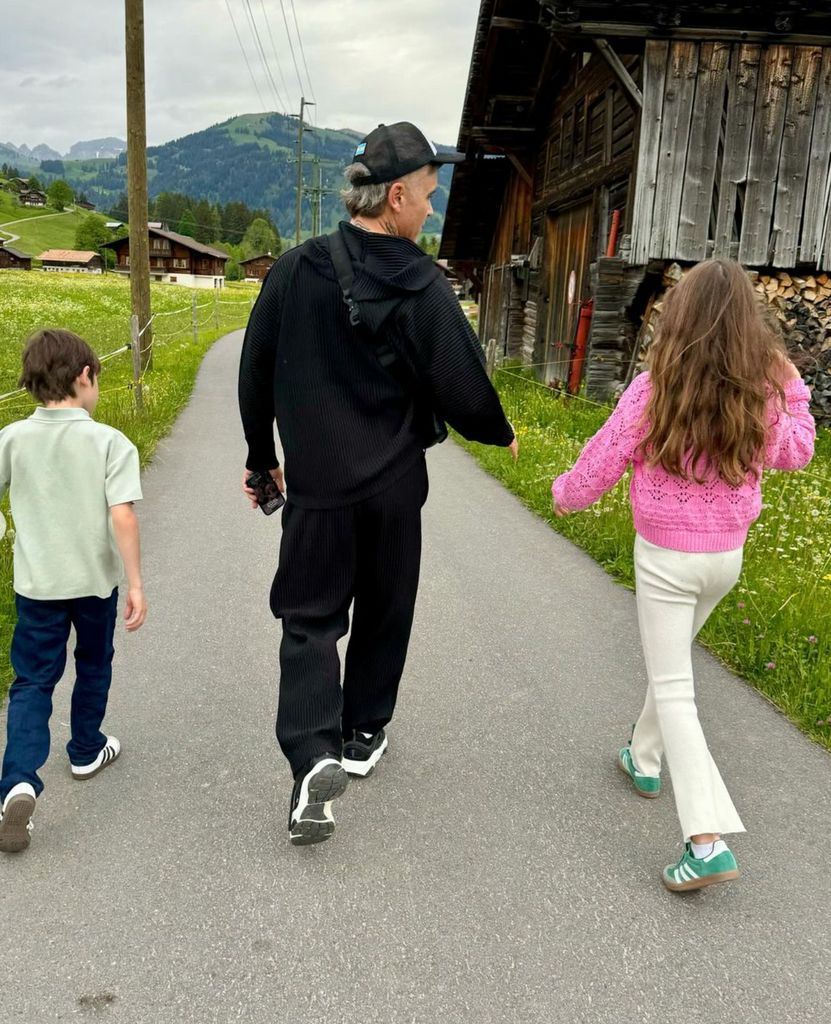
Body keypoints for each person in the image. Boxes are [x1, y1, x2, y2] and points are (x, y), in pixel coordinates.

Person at [238, 121, 518, 846]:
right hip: (394, 484)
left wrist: (258, 455)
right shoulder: (423, 285)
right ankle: (362, 734)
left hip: (319, 489)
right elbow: (460, 381)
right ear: (394, 196)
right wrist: (499, 431)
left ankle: (312, 755)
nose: (432, 208)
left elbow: (255, 369)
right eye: (428, 194)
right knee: (386, 607)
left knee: (308, 621)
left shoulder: (295, 269)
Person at [551, 260, 815, 891]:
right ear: (749, 329)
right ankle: (643, 759)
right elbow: (798, 450)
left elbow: (601, 461)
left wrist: (562, 495)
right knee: (671, 666)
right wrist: (791, 384)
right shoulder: (760, 398)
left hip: (666, 559)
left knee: (675, 686)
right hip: (726, 559)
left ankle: (706, 840)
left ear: (681, 319)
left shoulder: (653, 390)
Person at [0, 329, 146, 854]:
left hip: (37, 586)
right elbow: (122, 515)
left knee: (33, 680)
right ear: (85, 376)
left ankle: (17, 780)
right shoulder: (110, 442)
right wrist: (134, 583)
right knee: (94, 663)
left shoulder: (11, 439)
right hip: (94, 585)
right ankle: (85, 749)